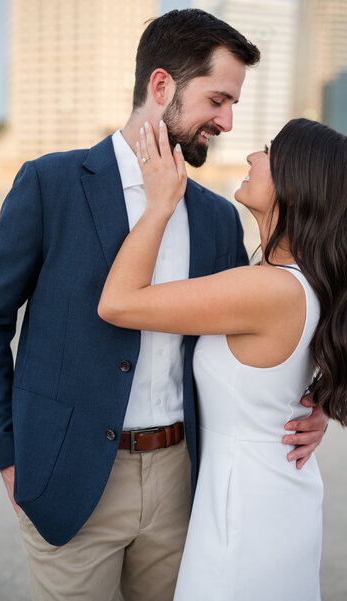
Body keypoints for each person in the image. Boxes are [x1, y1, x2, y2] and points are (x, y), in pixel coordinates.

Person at [0, 9, 327, 601]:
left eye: (232, 105)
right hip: (68, 478)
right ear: (161, 87)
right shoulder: (50, 184)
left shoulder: (215, 217)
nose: (227, 121)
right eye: (217, 100)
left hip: (183, 483)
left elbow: (252, 334)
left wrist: (309, 406)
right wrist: (9, 455)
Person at [98, 117, 347, 600]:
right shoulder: (298, 279)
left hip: (244, 511)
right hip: (265, 495)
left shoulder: (268, 288)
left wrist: (159, 206)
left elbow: (118, 304)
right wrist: (313, 401)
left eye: (269, 151)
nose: (253, 156)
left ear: (295, 189)